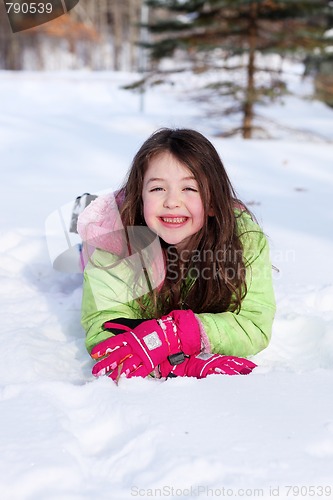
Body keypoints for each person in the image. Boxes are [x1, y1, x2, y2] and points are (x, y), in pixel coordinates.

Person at [78, 128, 276, 381]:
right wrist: (175, 366)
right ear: (140, 198)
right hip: (115, 243)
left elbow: (254, 324)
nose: (172, 201)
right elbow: (105, 328)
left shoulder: (243, 239)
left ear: (214, 202)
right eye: (158, 189)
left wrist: (183, 333)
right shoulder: (112, 242)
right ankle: (85, 211)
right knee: (86, 253)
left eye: (190, 189)